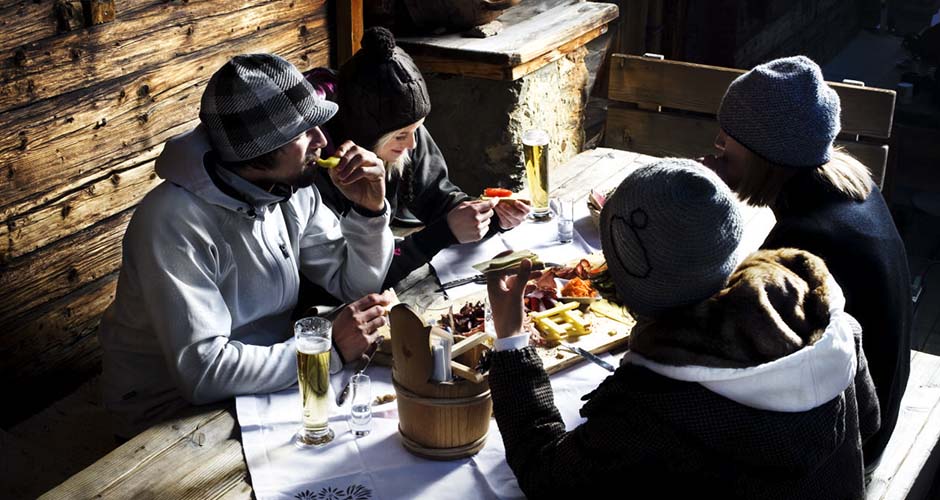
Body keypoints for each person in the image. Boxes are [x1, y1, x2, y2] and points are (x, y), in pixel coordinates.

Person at [486, 159, 880, 498]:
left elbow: (546, 477)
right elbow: (870, 422)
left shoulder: (649, 409)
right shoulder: (823, 318)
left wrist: (512, 345)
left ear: (628, 279)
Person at [98, 53, 395, 438]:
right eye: (303, 132)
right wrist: (324, 351)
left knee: (370, 422)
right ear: (258, 152)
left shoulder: (288, 190)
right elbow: (203, 373)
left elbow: (355, 284)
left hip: (266, 377)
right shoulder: (172, 221)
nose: (322, 140)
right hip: (168, 409)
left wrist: (370, 211)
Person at [701, 55, 911, 469]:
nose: (718, 147)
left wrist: (704, 204)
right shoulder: (851, 183)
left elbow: (733, 346)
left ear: (765, 151)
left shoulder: (806, 239)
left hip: (849, 445)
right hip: (875, 406)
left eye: (728, 140)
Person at [313, 27, 530, 288]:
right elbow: (359, 277)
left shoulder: (404, 129)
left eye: (416, 129)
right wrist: (442, 233)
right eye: (401, 135)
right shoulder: (319, 173)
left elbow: (439, 199)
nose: (413, 143)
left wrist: (492, 219)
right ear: (366, 136)